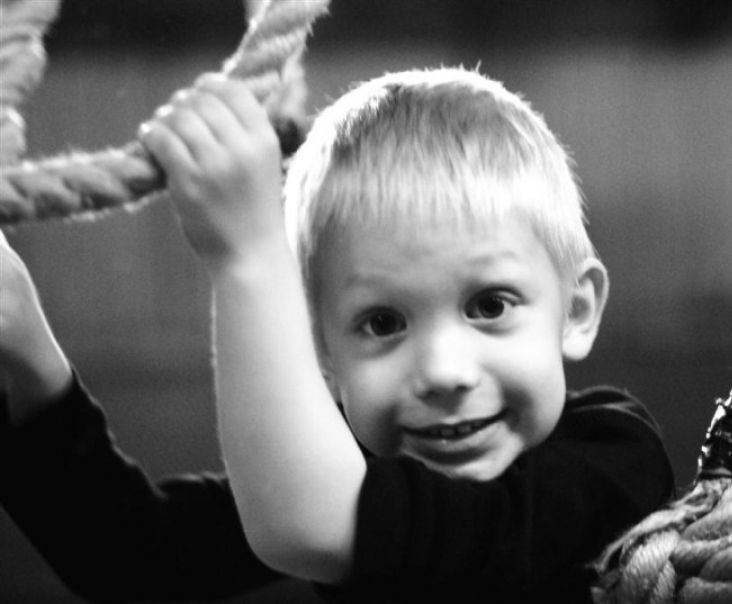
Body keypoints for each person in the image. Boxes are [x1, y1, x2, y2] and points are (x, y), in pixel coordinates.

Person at [1, 67, 673, 603]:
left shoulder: (614, 463)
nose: (444, 371)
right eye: (383, 323)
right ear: (319, 348)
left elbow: (315, 524)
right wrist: (29, 357)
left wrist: (247, 255)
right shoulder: (348, 460)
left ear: (576, 309)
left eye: (489, 306)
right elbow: (132, 556)